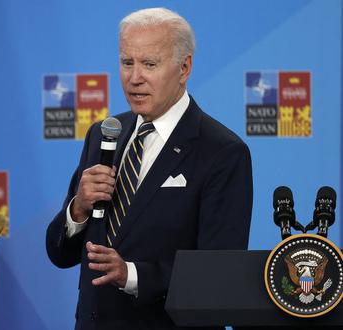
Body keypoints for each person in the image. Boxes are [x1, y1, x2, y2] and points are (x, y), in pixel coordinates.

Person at [46, 7, 253, 330]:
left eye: (149, 64)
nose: (134, 77)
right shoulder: (103, 134)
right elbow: (61, 254)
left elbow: (217, 275)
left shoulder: (223, 152)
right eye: (127, 62)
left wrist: (133, 275)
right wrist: (79, 209)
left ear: (184, 68)